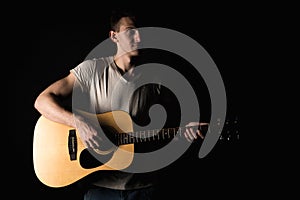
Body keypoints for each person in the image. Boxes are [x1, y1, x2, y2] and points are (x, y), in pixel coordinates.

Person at [34, 8, 208, 200]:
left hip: (145, 188)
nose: (139, 37)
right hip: (101, 188)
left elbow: (166, 132)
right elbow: (42, 101)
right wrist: (79, 123)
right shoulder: (92, 70)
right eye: (131, 31)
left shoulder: (158, 79)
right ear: (114, 36)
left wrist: (185, 132)